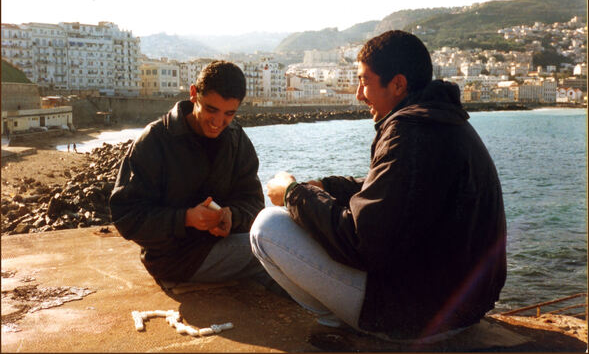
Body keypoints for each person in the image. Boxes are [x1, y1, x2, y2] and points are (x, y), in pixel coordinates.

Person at [250, 30, 507, 343]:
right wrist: (327, 186)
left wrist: (294, 194)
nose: (359, 93)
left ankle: (343, 321)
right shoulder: (444, 122)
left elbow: (360, 242)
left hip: (418, 318)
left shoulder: (409, 132)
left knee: (267, 227)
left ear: (397, 84)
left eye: (365, 80)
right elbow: (392, 187)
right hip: (464, 308)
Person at [110, 60, 267, 286]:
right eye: (211, 109)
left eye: (229, 114)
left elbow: (253, 202)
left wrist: (232, 216)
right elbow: (126, 216)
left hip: (223, 246)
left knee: (282, 250)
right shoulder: (154, 139)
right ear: (193, 94)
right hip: (175, 260)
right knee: (276, 253)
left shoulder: (236, 138)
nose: (218, 122)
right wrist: (185, 219)